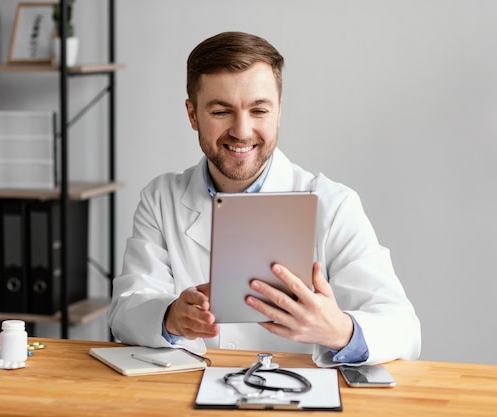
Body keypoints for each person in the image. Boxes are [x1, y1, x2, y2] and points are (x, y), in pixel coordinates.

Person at [107, 31, 421, 366]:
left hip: (298, 399)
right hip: (188, 397)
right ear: (192, 114)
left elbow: (404, 331)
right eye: (220, 112)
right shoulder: (161, 199)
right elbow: (125, 312)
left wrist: (339, 330)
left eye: (258, 110)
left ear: (278, 111)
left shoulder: (333, 204)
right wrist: (170, 317)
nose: (242, 131)